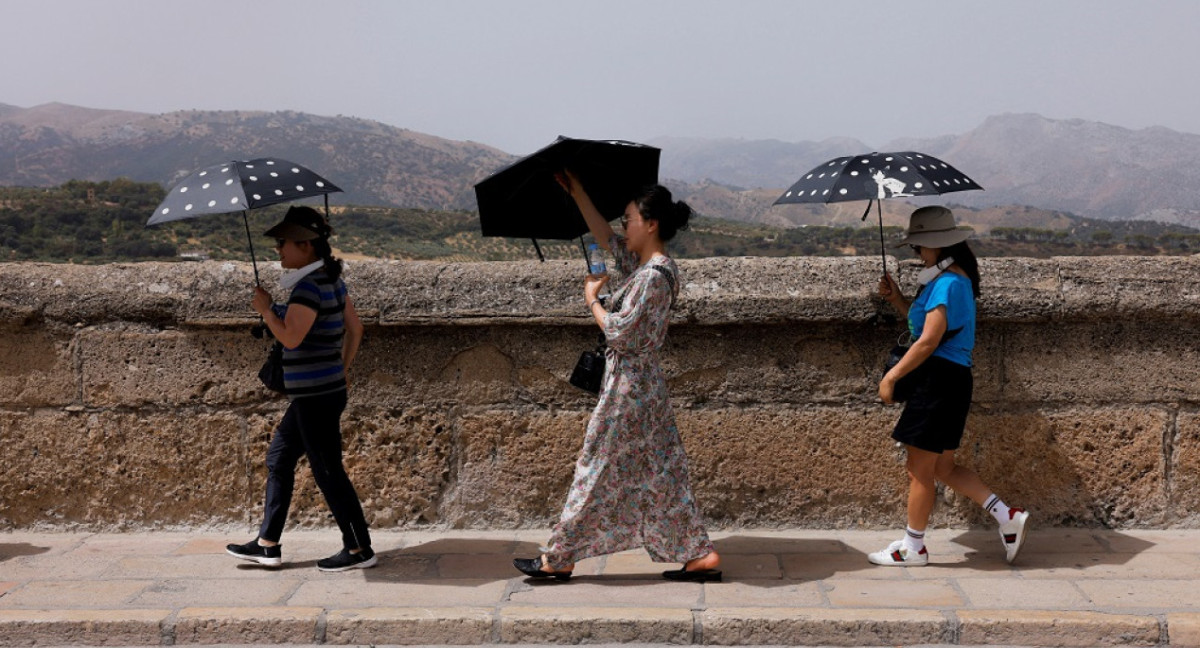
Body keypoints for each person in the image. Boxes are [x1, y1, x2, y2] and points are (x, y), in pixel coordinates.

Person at [513, 170, 721, 583]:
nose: (624, 227)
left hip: (629, 388)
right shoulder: (651, 269)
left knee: (594, 467)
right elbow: (606, 239)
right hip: (645, 388)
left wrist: (592, 300)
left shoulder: (652, 278)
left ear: (651, 223)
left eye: (629, 220)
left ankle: (560, 556)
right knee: (663, 474)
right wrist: (580, 193)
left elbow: (619, 332)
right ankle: (699, 555)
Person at [870, 205, 1029, 567]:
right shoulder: (955, 280)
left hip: (938, 383)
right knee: (943, 468)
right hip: (953, 381)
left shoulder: (946, 283)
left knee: (919, 470)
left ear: (936, 246)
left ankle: (914, 549)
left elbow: (927, 342)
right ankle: (1007, 516)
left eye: (919, 247)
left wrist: (891, 377)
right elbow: (928, 328)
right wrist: (897, 300)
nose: (917, 254)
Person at [225, 205, 374, 572]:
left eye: (283, 244)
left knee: (327, 470)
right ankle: (267, 544)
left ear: (305, 246)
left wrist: (265, 311)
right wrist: (341, 368)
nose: (278, 251)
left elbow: (291, 337)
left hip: (314, 397)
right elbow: (355, 329)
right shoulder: (331, 281)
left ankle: (359, 549)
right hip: (321, 391)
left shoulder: (308, 286)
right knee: (279, 457)